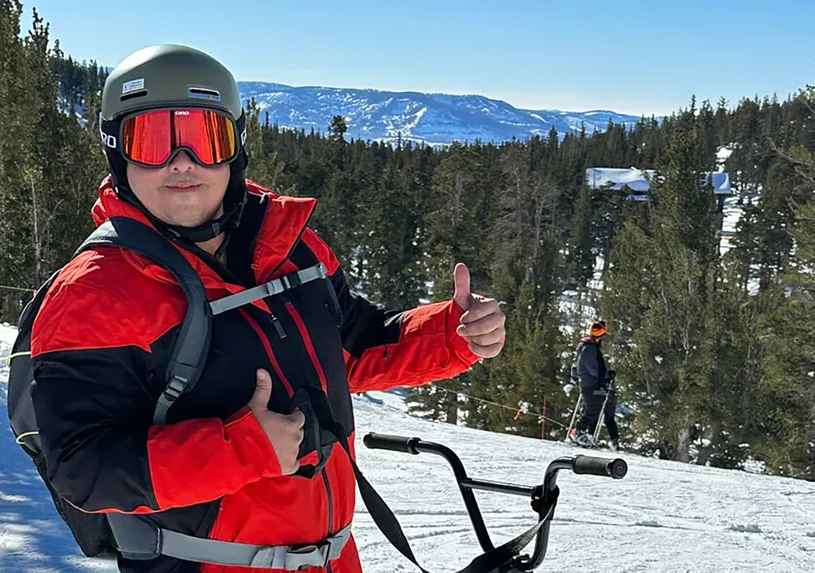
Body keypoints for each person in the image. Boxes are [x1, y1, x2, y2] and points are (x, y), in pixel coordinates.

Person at [28, 44, 507, 573]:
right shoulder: (94, 295)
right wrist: (241, 448)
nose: (182, 163)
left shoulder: (289, 249)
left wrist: (451, 334)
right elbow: (82, 469)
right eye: (154, 141)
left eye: (205, 139)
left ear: (234, 149)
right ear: (118, 152)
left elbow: (352, 349)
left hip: (333, 558)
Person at [572, 320, 618, 450]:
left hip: (588, 382)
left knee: (590, 408)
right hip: (590, 383)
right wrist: (606, 375)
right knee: (593, 408)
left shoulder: (587, 346)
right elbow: (593, 369)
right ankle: (579, 432)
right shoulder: (589, 348)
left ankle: (580, 433)